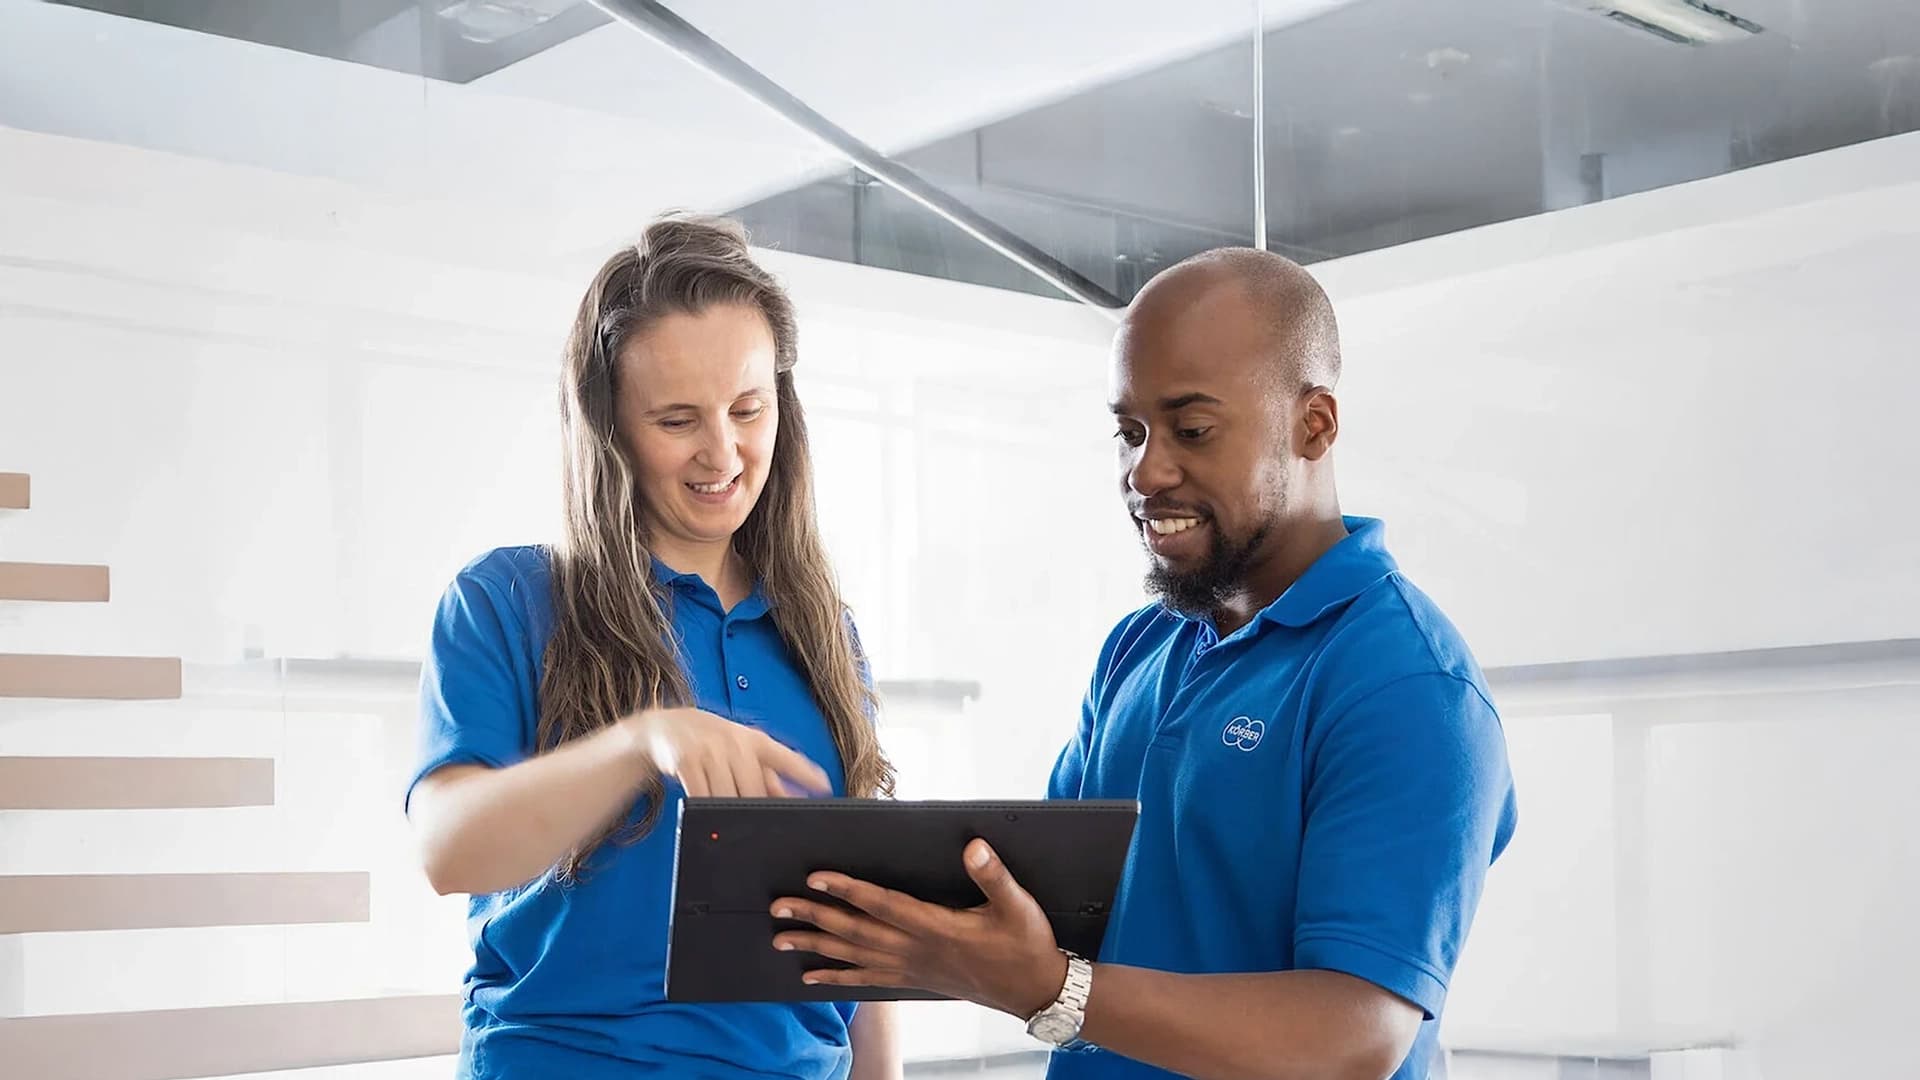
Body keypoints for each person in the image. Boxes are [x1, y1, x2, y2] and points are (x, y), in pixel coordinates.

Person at [767, 248, 1519, 1080]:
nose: (1145, 471)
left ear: (1315, 424)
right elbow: (1051, 903)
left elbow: (1353, 1038)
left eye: (1191, 430)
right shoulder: (1140, 645)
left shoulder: (1408, 685)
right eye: (1130, 432)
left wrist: (1054, 990)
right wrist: (817, 874)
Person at [406, 215, 901, 1080]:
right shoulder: (507, 601)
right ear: (610, 429)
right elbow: (449, 849)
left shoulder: (824, 628)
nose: (724, 452)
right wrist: (641, 742)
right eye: (677, 420)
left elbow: (854, 924)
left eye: (749, 409)